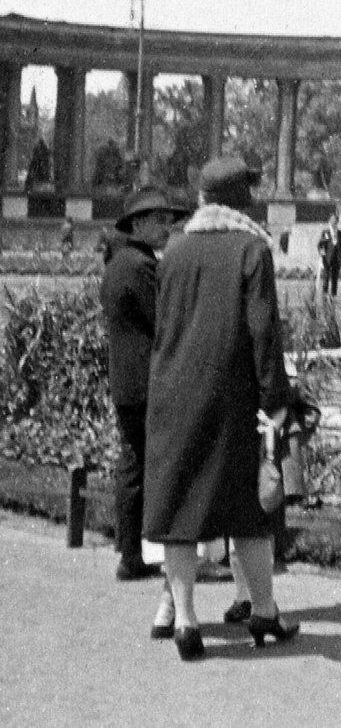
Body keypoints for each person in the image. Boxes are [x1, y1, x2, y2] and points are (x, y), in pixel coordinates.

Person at [143, 157, 298, 660]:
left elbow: (163, 328)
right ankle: (263, 609)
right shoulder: (252, 248)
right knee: (248, 511)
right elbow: (263, 333)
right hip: (231, 396)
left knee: (179, 507)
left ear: (205, 199)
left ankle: (186, 620)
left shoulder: (175, 250)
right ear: (241, 201)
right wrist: (276, 399)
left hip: (172, 391)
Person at [99, 186, 186, 582]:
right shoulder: (140, 266)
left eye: (169, 219)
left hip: (126, 383)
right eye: (159, 220)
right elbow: (164, 322)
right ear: (137, 224)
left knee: (132, 467)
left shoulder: (119, 263)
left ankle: (130, 553)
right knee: (160, 468)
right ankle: (167, 555)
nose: (167, 226)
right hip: (149, 384)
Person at [316, 212, 341, 298]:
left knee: (335, 277)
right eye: (332, 220)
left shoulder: (340, 233)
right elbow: (320, 244)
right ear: (329, 220)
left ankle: (333, 295)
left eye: (336, 220)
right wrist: (322, 253)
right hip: (327, 258)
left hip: (337, 258)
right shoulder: (326, 232)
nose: (334, 222)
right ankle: (324, 294)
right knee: (326, 276)